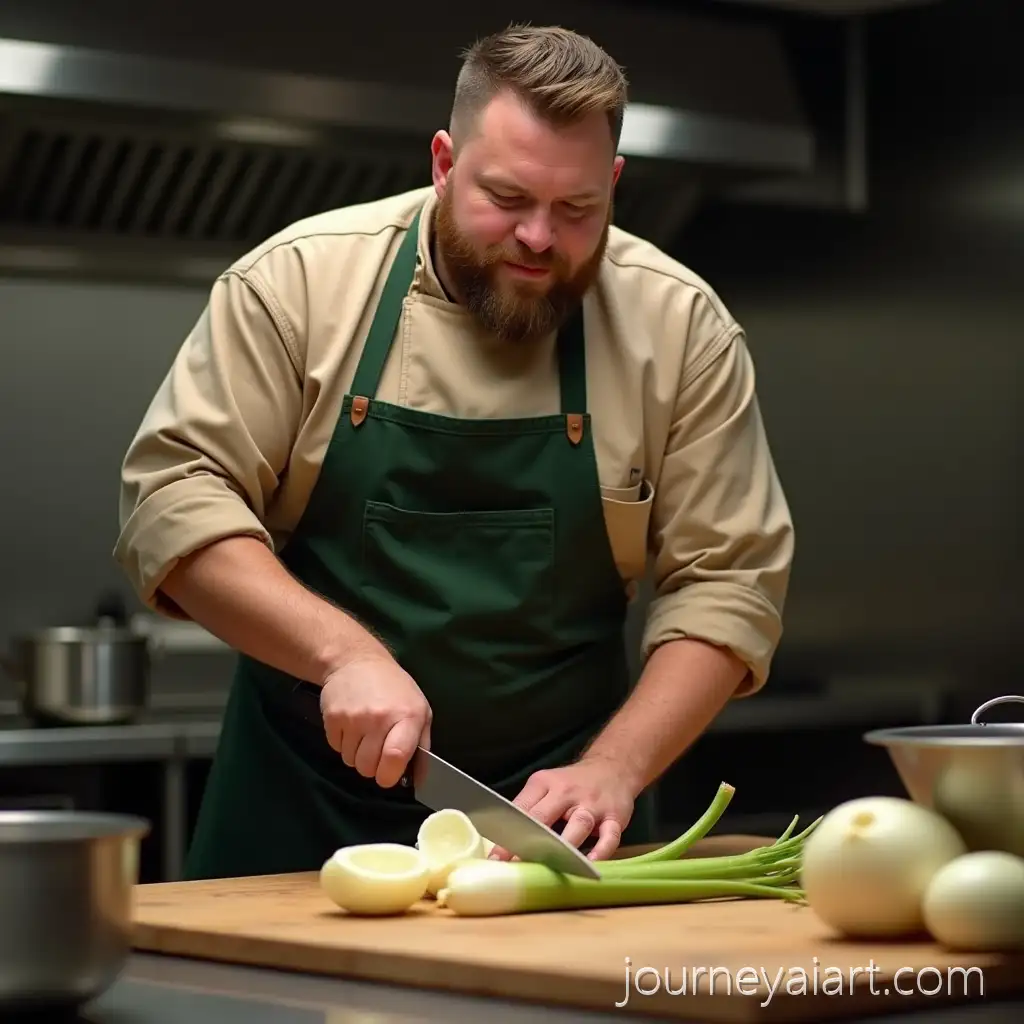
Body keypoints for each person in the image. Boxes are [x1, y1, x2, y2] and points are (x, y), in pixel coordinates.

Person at [114, 24, 794, 880]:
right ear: (443, 162)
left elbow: (729, 581)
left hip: (554, 826)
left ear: (614, 183)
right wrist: (345, 654)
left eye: (577, 208)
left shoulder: (681, 327)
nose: (540, 238)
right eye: (506, 199)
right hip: (294, 809)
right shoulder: (299, 284)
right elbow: (173, 498)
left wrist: (615, 768)